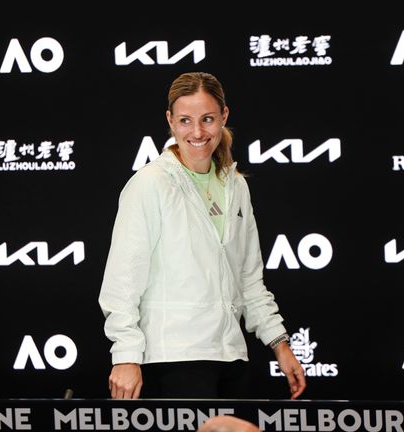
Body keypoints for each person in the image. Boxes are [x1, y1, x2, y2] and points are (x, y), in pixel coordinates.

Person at [98, 71, 306, 400]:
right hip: (171, 360)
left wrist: (279, 343)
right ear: (170, 121)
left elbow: (249, 279)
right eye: (185, 120)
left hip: (230, 358)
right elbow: (122, 280)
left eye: (207, 119)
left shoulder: (236, 185)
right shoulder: (150, 183)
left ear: (224, 116)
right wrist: (125, 355)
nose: (197, 132)